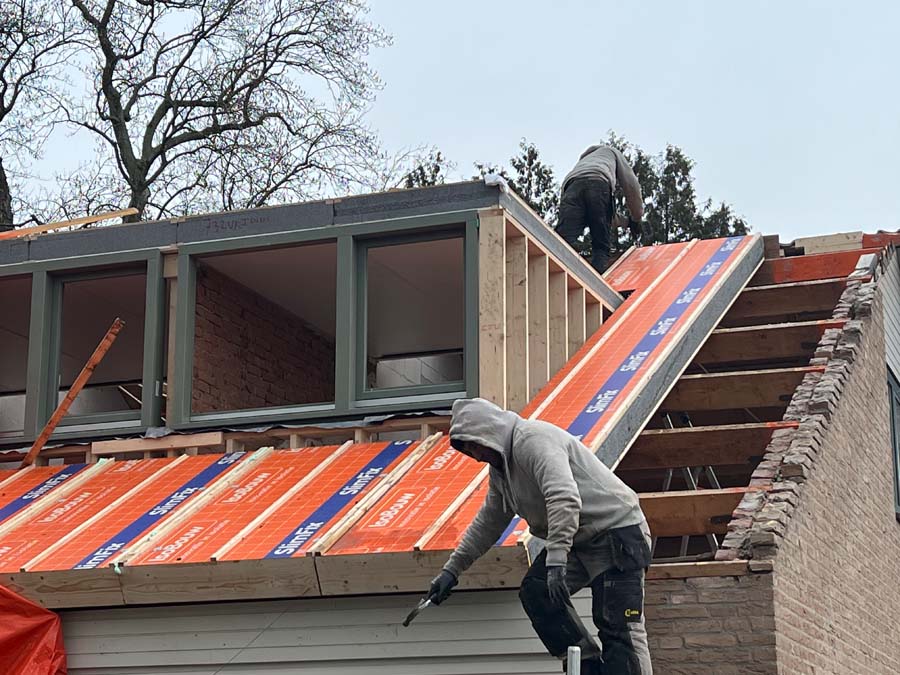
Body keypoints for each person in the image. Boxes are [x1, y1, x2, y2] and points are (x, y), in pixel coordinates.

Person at [428, 398, 653, 675]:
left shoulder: (533, 440)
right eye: (468, 450)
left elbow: (564, 498)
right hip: (579, 539)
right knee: (538, 591)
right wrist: (452, 570)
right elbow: (488, 523)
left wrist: (557, 560)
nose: (475, 455)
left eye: (474, 445)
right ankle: (585, 665)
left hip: (616, 534)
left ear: (488, 431)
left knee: (618, 626)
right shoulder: (502, 472)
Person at [557, 144, 646, 273]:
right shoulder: (612, 152)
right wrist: (636, 218)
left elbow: (604, 216)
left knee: (562, 241)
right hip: (598, 182)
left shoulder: (582, 163)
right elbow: (631, 186)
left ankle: (553, 274)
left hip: (571, 187)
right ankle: (596, 280)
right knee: (601, 247)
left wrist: (627, 222)